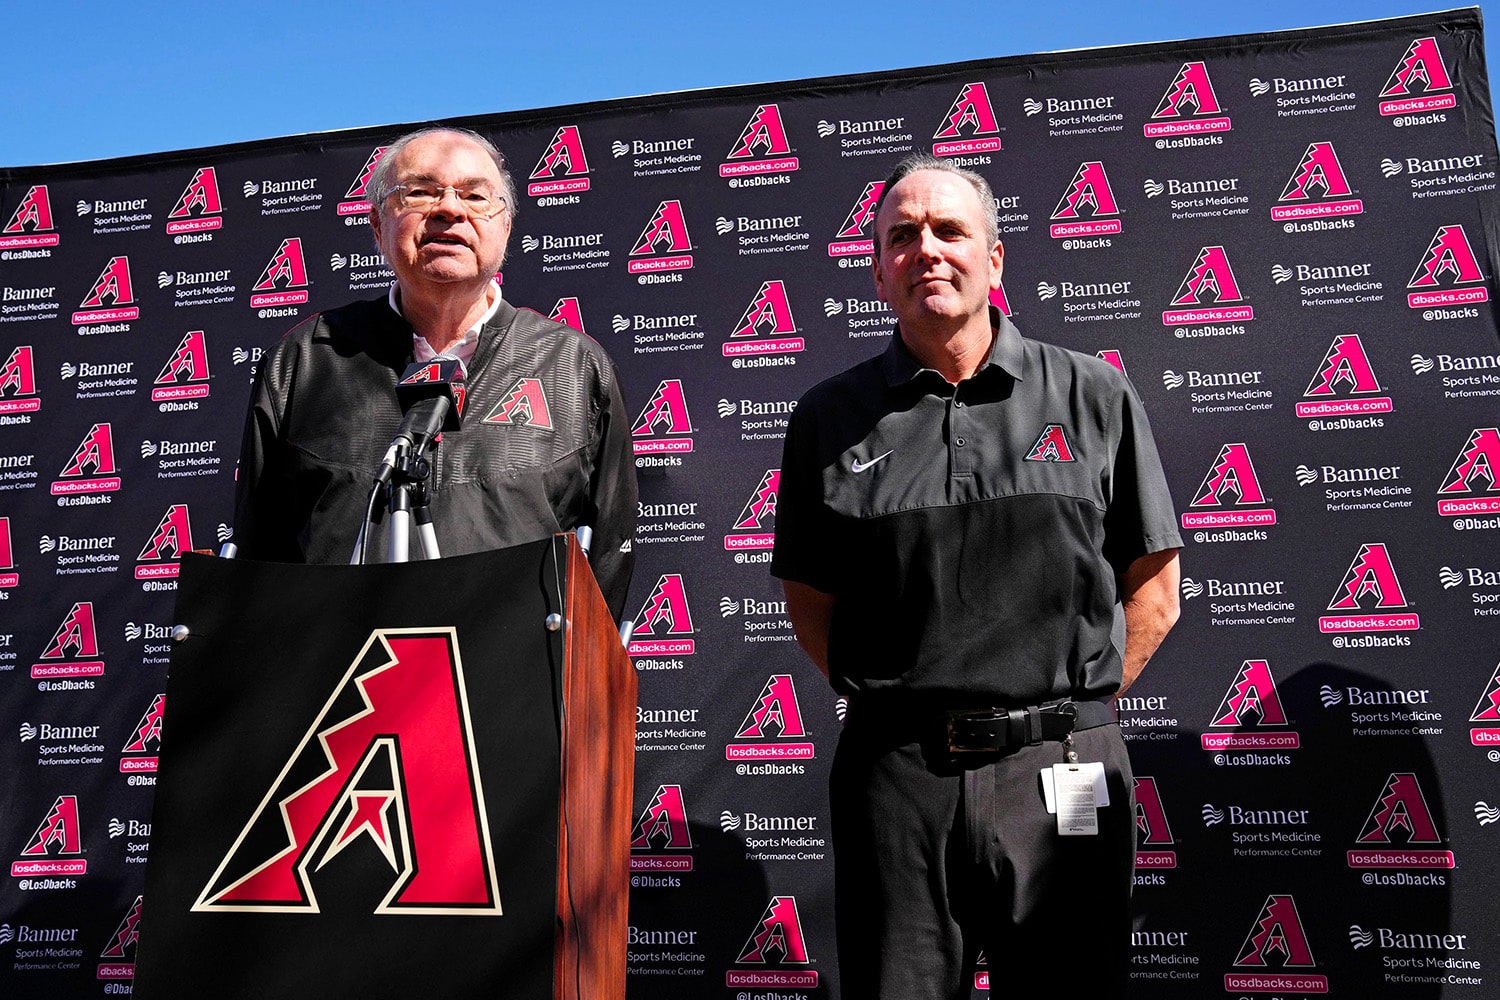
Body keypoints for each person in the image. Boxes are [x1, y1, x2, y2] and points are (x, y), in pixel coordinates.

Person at [771, 153, 1182, 998]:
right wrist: (911, 702)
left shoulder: (1093, 393)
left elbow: (1154, 587)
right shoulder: (827, 417)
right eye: (902, 236)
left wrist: (1062, 707)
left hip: (1065, 772)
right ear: (878, 269)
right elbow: (811, 603)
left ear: (994, 260)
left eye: (950, 231)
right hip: (898, 784)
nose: (928, 249)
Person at [233, 127, 636, 619]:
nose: (449, 210)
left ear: (505, 228)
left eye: (474, 195)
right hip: (341, 682)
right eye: (419, 192)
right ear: (378, 226)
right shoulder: (307, 358)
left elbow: (609, 553)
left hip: (514, 685)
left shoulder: (573, 365)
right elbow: (258, 554)